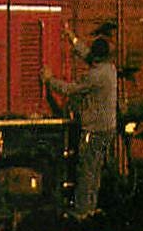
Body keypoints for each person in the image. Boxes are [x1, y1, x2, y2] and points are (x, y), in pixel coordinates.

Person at [43, 27, 117, 219]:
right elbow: (88, 56)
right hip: (108, 128)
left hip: (94, 130)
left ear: (97, 56)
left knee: (86, 169)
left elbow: (70, 89)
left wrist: (49, 80)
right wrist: (72, 38)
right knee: (95, 169)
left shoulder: (95, 76)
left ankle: (82, 210)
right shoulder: (109, 69)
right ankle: (90, 206)